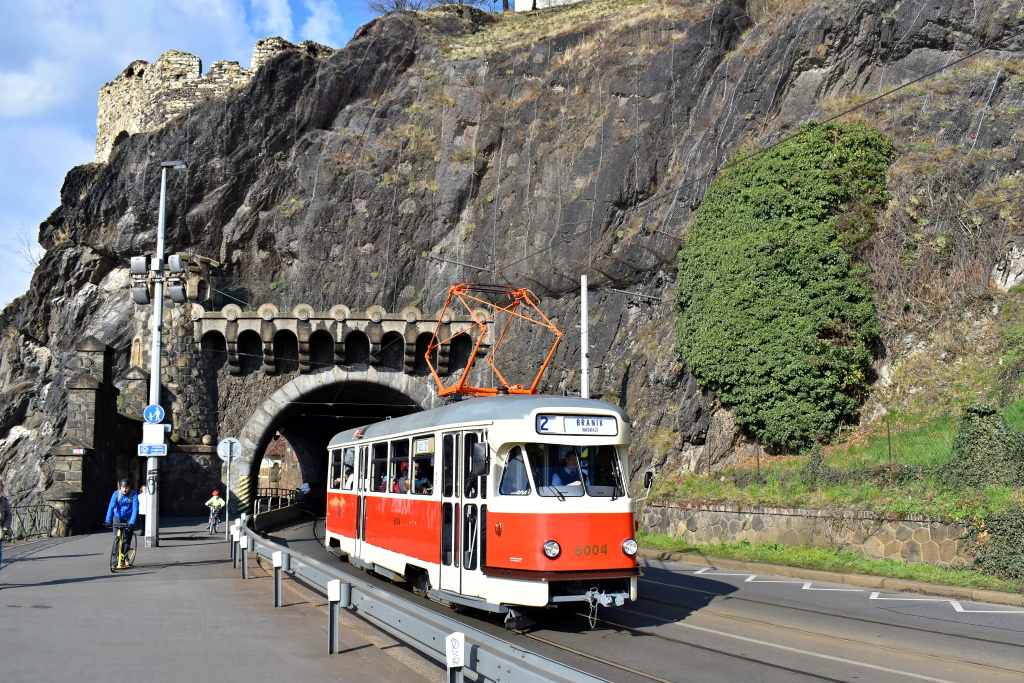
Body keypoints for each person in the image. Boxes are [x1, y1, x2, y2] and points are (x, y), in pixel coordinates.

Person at [104, 479, 139, 545]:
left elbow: (135, 509)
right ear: (120, 487)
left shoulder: (133, 494)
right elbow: (111, 507)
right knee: (116, 539)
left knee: (127, 539)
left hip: (129, 518)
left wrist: (132, 522)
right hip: (118, 517)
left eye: (126, 488)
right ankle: (115, 555)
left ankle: (125, 555)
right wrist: (108, 520)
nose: (124, 490)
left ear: (129, 487)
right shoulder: (116, 494)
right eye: (123, 488)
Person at [0, 479, 12, 578]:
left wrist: (4, 528)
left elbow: (8, 515)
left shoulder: (4, 500)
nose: (3, 487)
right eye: (1, 485)